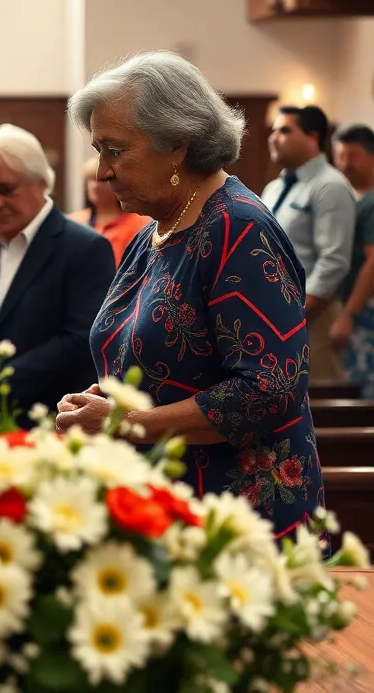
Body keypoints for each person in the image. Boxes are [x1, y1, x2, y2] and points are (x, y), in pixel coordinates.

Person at [57, 51, 322, 537]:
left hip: (236, 524)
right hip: (168, 506)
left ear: (178, 144)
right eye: (99, 151)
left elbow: (271, 391)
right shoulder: (154, 232)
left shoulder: (239, 229)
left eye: (115, 150)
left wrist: (127, 421)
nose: (101, 173)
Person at [0, 125, 115, 419]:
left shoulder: (86, 248)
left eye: (5, 189)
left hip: (49, 428)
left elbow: (81, 340)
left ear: (41, 182)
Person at [261, 104, 355, 382]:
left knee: (314, 402)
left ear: (313, 136)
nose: (273, 138)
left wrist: (297, 315)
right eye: (273, 130)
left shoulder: (330, 185)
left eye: (285, 130)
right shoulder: (274, 188)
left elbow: (333, 261)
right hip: (275, 316)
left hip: (313, 316)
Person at [329, 123, 374, 397]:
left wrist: (347, 315)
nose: (345, 164)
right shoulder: (352, 197)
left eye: (352, 156)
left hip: (364, 313)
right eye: (340, 156)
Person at [68, 156, 150, 265]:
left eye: (102, 180)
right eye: (91, 180)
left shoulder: (141, 225)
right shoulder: (73, 222)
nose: (95, 186)